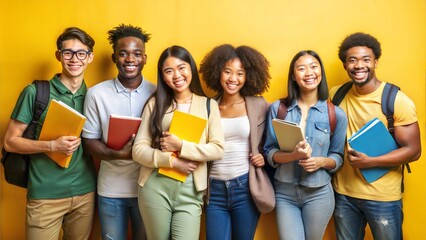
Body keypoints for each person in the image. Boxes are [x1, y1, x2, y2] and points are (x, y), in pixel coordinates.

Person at [3, 27, 96, 240]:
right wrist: (52, 146)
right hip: (45, 195)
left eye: (81, 53)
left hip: (85, 194)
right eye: (68, 53)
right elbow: (10, 142)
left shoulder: (94, 97)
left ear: (90, 57)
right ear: (59, 56)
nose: (74, 59)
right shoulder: (36, 92)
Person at [331, 32, 421, 240]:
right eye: (352, 60)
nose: (359, 65)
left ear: (376, 62)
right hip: (343, 195)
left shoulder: (397, 100)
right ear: (345, 65)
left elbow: (414, 151)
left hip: (383, 197)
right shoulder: (336, 95)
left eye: (365, 59)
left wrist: (370, 162)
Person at [132, 45, 224, 240]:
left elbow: (218, 149)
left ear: (190, 68)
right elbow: (138, 150)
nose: (176, 75)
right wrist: (172, 161)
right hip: (154, 185)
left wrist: (181, 146)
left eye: (181, 67)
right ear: (163, 77)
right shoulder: (155, 104)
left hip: (191, 189)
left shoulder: (209, 105)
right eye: (169, 70)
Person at [263, 50, 348, 240]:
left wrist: (320, 162)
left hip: (319, 193)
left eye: (313, 67)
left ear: (321, 72)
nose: (309, 73)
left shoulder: (336, 114)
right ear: (294, 76)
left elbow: (338, 157)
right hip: (285, 193)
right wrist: (293, 155)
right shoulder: (278, 109)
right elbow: (269, 151)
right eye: (301, 69)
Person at [82, 24, 155, 240]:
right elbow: (89, 142)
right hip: (110, 189)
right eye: (123, 54)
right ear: (114, 58)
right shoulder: (97, 94)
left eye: (137, 54)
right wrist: (119, 154)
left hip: (149, 188)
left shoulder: (158, 93)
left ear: (145, 58)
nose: (130, 59)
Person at [199, 44, 271, 240]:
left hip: (245, 187)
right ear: (217, 72)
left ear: (248, 76)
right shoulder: (207, 106)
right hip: (213, 189)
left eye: (240, 73)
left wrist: (263, 157)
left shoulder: (259, 105)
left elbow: (271, 143)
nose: (233, 79)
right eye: (227, 72)